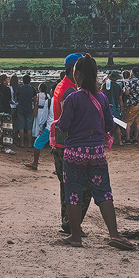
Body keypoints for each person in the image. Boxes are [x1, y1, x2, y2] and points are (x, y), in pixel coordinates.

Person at [55, 55, 135, 250]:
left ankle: (75, 236)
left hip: (74, 152)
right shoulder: (102, 98)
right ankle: (114, 234)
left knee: (73, 193)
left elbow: (63, 126)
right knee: (104, 193)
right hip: (97, 151)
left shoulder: (72, 97)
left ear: (79, 74)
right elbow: (109, 124)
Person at [51, 53, 90, 233]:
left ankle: (68, 221)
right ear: (77, 71)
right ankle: (72, 223)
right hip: (69, 144)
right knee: (84, 187)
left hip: (60, 143)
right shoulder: (71, 92)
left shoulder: (62, 86)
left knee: (66, 186)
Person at [15, 74, 39, 149]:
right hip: (29, 108)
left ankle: (22, 143)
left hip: (21, 108)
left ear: (23, 81)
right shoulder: (33, 88)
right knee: (29, 127)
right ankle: (29, 144)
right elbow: (35, 99)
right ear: (29, 81)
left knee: (21, 127)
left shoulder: (19, 88)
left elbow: (16, 99)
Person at [123, 67, 139, 145]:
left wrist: (124, 90)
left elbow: (127, 93)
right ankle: (136, 138)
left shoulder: (130, 82)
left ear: (132, 72)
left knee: (128, 122)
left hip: (132, 104)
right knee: (138, 122)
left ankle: (128, 138)